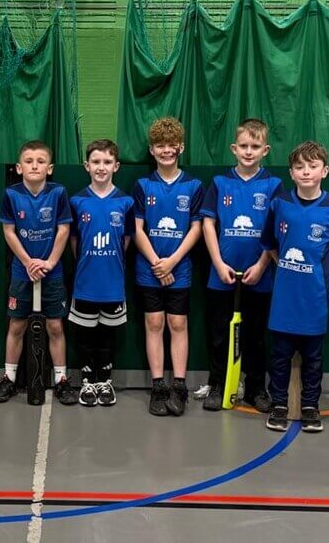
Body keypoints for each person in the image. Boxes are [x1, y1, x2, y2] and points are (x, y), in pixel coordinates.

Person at [260, 141, 329, 433]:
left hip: (316, 294)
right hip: (285, 295)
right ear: (291, 172)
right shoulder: (279, 204)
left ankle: (310, 406)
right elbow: (270, 244)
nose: (306, 172)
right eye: (299, 167)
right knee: (280, 354)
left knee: (313, 357)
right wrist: (288, 265)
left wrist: (313, 268)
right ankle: (279, 405)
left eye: (313, 166)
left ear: (325, 170)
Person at [199, 118, 282, 412]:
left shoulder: (273, 185)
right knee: (219, 334)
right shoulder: (220, 183)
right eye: (243, 146)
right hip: (221, 275)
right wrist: (218, 263)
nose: (248, 151)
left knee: (255, 336)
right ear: (234, 148)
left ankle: (256, 388)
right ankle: (218, 384)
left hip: (258, 275)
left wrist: (261, 265)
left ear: (265, 150)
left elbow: (275, 231)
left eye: (255, 146)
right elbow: (208, 224)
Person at [0, 140, 75, 405]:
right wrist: (28, 262)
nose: (34, 166)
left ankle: (61, 380)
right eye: (28, 161)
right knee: (17, 324)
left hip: (52, 271)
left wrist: (49, 262)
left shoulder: (58, 192)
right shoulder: (11, 194)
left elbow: (63, 229)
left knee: (55, 325)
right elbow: (9, 232)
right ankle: (9, 379)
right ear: (19, 168)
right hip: (22, 271)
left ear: (49, 168)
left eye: (40, 161)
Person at [131, 117, 203, 417]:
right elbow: (137, 229)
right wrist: (156, 262)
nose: (166, 150)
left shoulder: (193, 186)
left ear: (181, 148)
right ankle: (158, 386)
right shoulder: (143, 185)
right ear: (152, 150)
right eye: (160, 145)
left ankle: (179, 386)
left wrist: (172, 261)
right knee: (154, 323)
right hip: (149, 268)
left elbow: (197, 228)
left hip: (180, 268)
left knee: (177, 324)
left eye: (172, 145)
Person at [68, 139, 134, 407]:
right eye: (96, 162)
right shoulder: (77, 201)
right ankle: (88, 381)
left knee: (107, 335)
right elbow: (74, 241)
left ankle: (105, 381)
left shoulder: (126, 201)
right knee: (85, 335)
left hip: (113, 284)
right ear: (87, 165)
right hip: (85, 282)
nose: (101, 167)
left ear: (116, 166)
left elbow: (126, 240)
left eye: (107, 162)